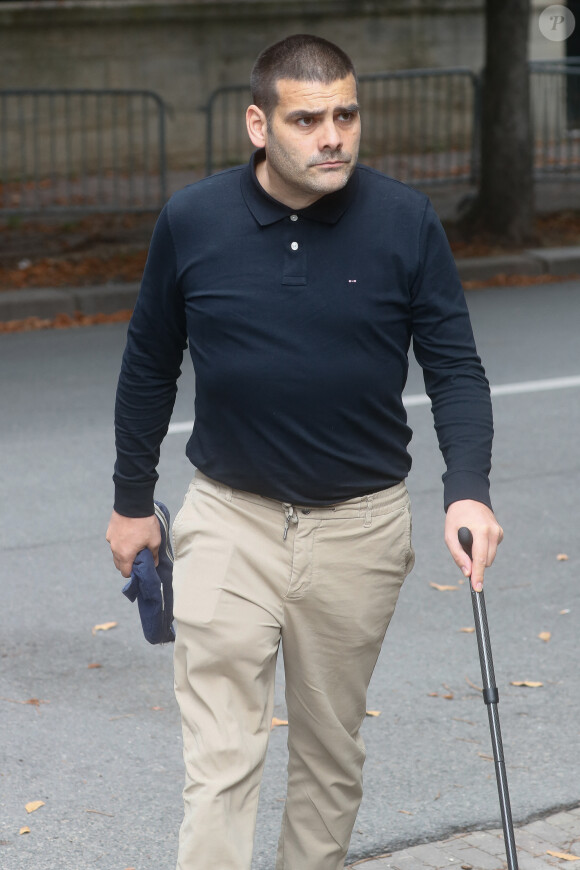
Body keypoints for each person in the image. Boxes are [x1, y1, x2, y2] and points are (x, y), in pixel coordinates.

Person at [106, 33, 503, 870]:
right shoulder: (194, 220)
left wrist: (467, 489)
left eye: (346, 115)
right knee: (221, 760)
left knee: (330, 757)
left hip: (359, 528)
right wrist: (132, 503)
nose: (333, 136)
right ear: (260, 123)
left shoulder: (405, 221)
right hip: (230, 521)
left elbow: (456, 368)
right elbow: (148, 363)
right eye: (308, 118)